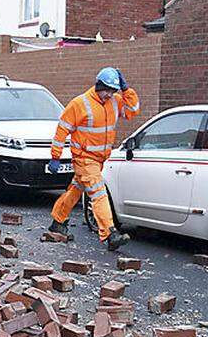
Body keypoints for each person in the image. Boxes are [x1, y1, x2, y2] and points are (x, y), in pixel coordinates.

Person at [46, 67, 140, 250]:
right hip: (84, 159)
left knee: (75, 190)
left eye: (113, 91)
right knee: (98, 192)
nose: (109, 95)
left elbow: (133, 111)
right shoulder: (79, 104)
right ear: (98, 86)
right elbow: (62, 130)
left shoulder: (115, 101)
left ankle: (58, 221)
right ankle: (110, 233)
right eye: (107, 90)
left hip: (100, 160)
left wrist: (126, 90)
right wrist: (55, 157)